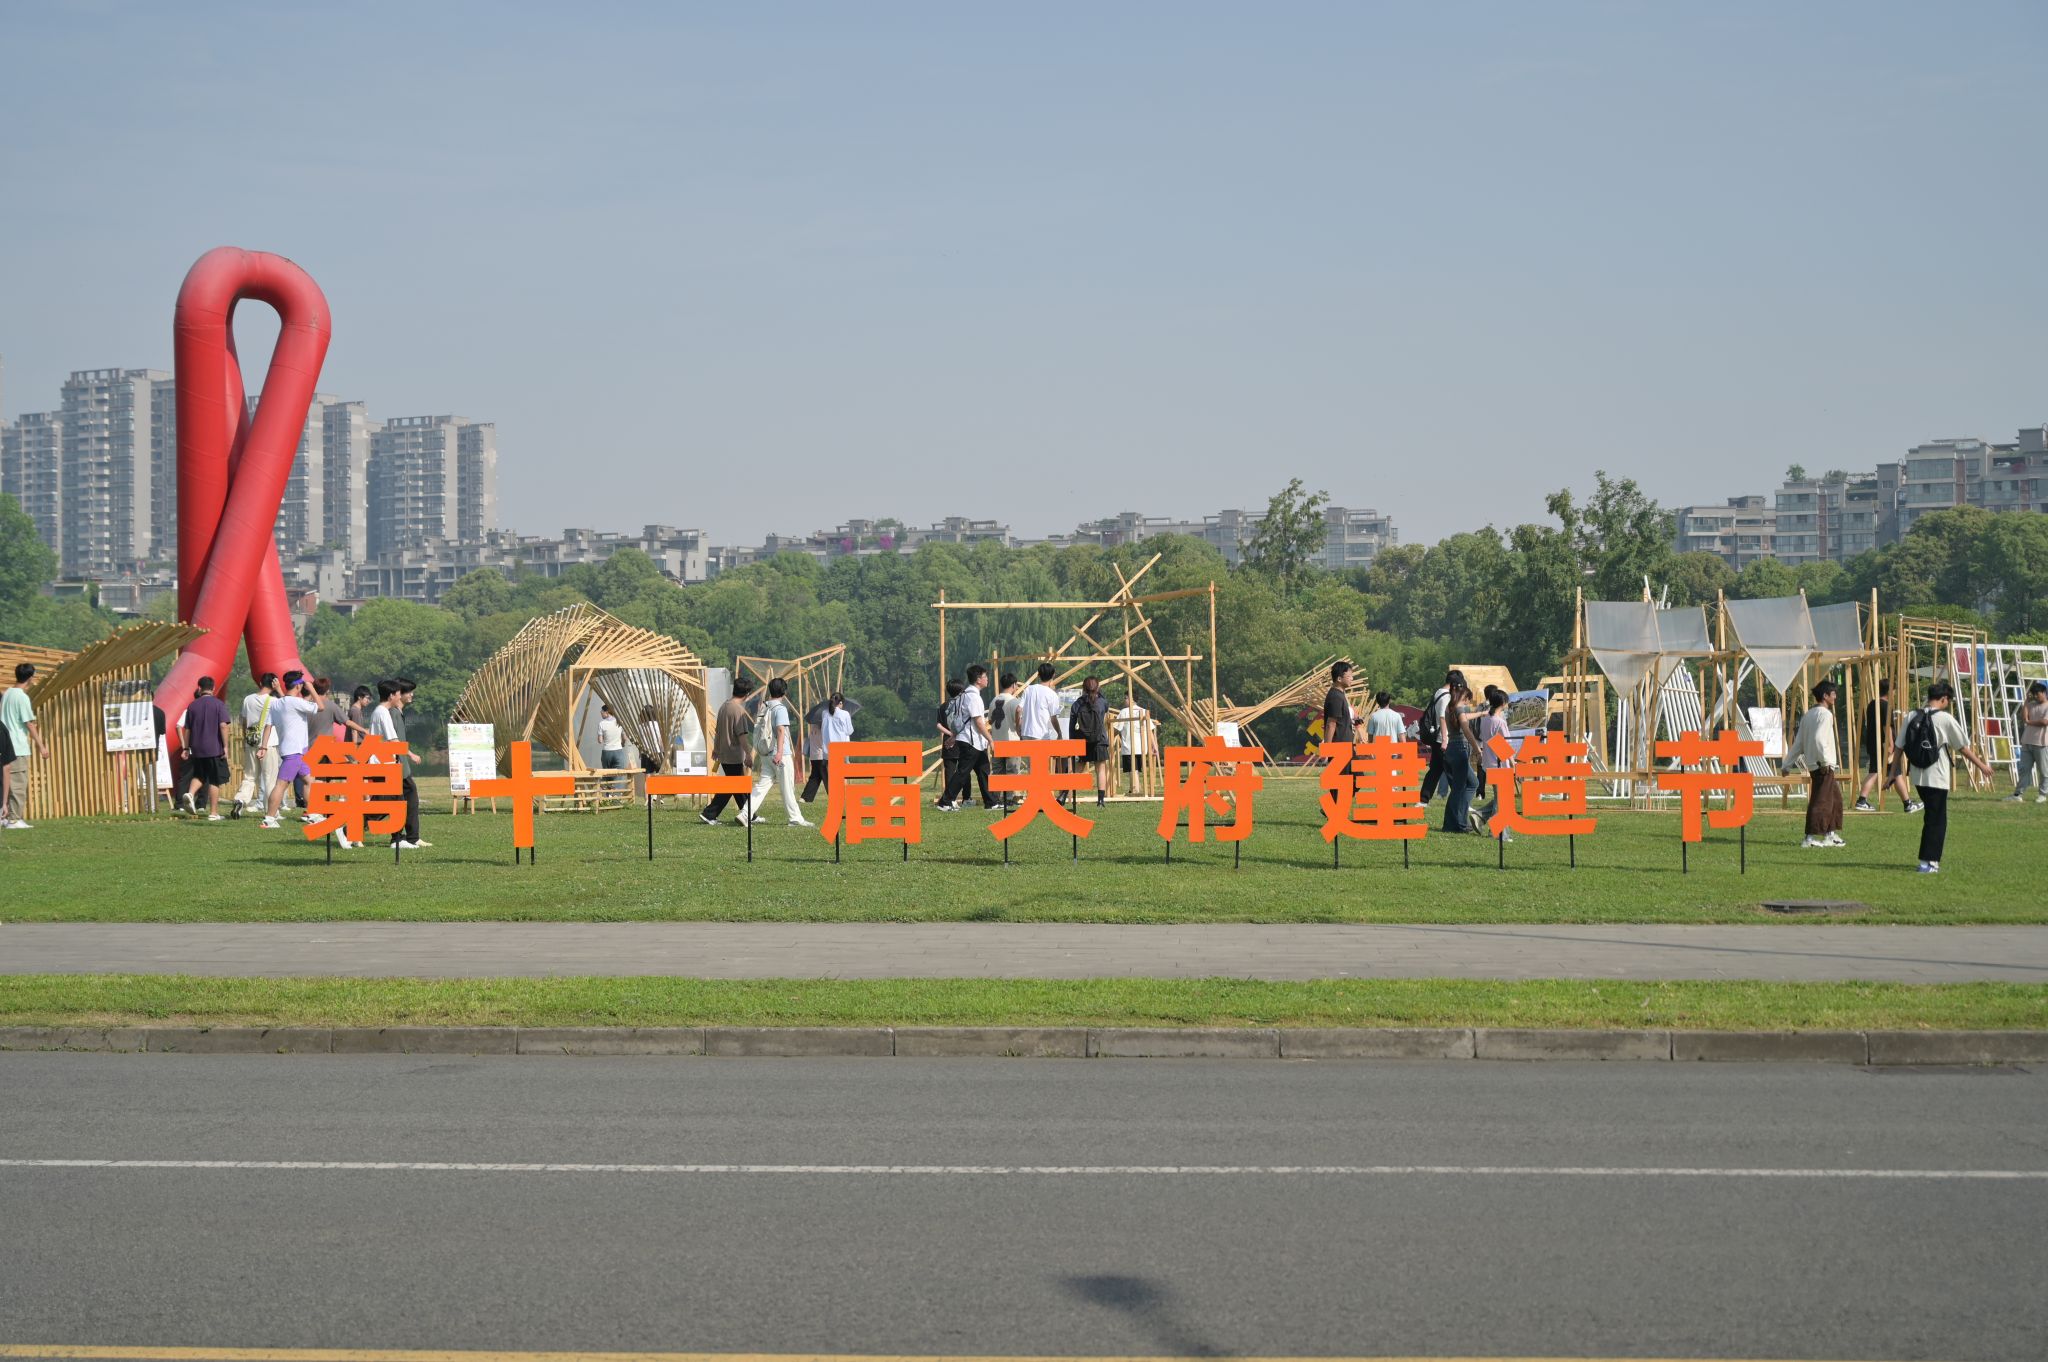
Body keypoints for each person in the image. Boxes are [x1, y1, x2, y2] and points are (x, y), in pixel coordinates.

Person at [1896, 680, 1994, 875]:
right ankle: (1929, 862)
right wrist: (1982, 765)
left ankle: (1927, 860)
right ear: (1943, 699)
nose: (1948, 703)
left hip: (1917, 776)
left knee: (1931, 816)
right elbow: (1963, 748)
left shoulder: (1911, 716)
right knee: (1937, 819)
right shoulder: (1946, 719)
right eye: (1948, 700)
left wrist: (1892, 773)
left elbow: (1899, 746)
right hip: (1937, 775)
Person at [369, 677, 429, 851]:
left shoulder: (390, 712)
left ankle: (406, 838)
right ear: (395, 695)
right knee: (389, 802)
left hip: (394, 764)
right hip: (390, 765)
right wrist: (409, 755)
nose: (411, 695)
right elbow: (393, 741)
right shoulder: (388, 713)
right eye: (407, 692)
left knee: (400, 800)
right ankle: (400, 838)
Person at [260, 673, 323, 830]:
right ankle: (269, 819)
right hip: (295, 752)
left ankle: (312, 814)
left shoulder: (277, 704)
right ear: (298, 686)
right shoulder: (297, 702)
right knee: (281, 785)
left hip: (295, 751)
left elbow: (268, 726)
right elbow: (321, 707)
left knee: (309, 781)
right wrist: (312, 689)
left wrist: (263, 746)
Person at [745, 676, 810, 827]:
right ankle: (795, 818)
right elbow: (781, 730)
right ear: (784, 692)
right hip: (780, 754)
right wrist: (780, 752)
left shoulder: (764, 706)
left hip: (766, 753)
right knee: (787, 787)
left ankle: (745, 813)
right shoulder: (780, 708)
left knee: (761, 787)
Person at [1855, 678, 1920, 814]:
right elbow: (1887, 727)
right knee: (1878, 771)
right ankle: (1861, 800)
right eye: (1894, 690)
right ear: (1890, 691)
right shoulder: (1886, 706)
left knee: (1894, 773)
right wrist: (1890, 745)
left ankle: (1907, 803)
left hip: (1874, 743)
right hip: (1884, 745)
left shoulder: (1872, 704)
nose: (1894, 693)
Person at [1794, 681, 1846, 849]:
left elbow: (1798, 743)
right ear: (1825, 696)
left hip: (1816, 763)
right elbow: (1818, 738)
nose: (1835, 697)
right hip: (1823, 765)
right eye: (1833, 694)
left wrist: (1786, 764)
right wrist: (1824, 762)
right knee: (1821, 801)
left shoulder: (1808, 715)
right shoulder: (1826, 715)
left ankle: (1830, 835)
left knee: (1835, 800)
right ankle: (1809, 838)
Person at [939, 665, 995, 811]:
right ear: (978, 680)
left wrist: (953, 737)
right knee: (962, 773)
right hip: (972, 741)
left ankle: (991, 802)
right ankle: (945, 801)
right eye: (985, 677)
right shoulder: (974, 697)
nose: (987, 679)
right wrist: (990, 739)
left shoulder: (964, 695)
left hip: (971, 740)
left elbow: (963, 720)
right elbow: (978, 722)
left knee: (983, 770)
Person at [178, 676, 234, 820]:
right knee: (214, 779)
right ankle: (213, 813)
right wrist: (225, 746)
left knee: (200, 775)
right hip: (214, 748)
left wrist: (186, 748)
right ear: (213, 688)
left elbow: (188, 730)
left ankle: (190, 794)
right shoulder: (218, 704)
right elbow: (223, 725)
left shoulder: (192, 706)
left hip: (197, 748)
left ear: (199, 688)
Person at [701, 676, 755, 825]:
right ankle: (709, 813)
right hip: (734, 754)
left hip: (724, 754)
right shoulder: (738, 710)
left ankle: (750, 814)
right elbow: (742, 735)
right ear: (747, 694)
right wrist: (748, 755)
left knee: (738, 786)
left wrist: (716, 748)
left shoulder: (724, 706)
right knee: (732, 786)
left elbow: (718, 731)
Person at [2, 661, 47, 829]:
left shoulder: (7, 693)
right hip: (17, 746)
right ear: (30, 678)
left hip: (5, 744)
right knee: (19, 784)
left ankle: (6, 817)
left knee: (8, 783)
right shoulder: (22, 697)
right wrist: (41, 746)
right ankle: (14, 819)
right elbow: (29, 723)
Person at [230, 672, 282, 820]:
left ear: (260, 683)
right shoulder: (274, 701)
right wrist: (279, 690)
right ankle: (271, 811)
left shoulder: (248, 699)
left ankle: (240, 799)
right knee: (269, 778)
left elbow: (243, 721)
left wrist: (247, 737)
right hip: (269, 743)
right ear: (273, 684)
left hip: (251, 741)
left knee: (250, 776)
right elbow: (287, 705)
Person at [1418, 669, 1466, 803]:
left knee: (1435, 769)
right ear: (1454, 683)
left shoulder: (1438, 692)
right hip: (1442, 739)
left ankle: (1423, 799)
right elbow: (1442, 717)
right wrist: (1445, 739)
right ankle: (1460, 801)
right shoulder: (1446, 696)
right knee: (1451, 771)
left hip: (1437, 738)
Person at [1472, 685, 1513, 840]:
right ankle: (1497, 832)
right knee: (1502, 801)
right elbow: (1505, 745)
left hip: (1489, 763)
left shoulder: (1485, 720)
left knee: (1500, 798)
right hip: (1500, 764)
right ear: (1503, 703)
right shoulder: (1500, 722)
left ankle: (1480, 816)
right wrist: (1513, 762)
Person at [1439, 679, 1478, 833]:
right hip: (1460, 748)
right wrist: (1477, 749)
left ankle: (1458, 821)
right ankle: (1454, 824)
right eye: (1468, 699)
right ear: (1464, 697)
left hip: (1452, 748)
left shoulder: (1450, 708)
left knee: (1471, 784)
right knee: (1459, 789)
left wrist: (1481, 713)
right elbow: (1466, 729)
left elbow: (1464, 717)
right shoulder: (1460, 709)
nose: (1468, 702)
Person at [802, 692, 854, 803]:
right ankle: (839, 797)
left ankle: (834, 797)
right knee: (839, 776)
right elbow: (849, 731)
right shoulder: (845, 714)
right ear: (840, 703)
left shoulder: (824, 713)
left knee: (829, 777)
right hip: (840, 750)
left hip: (827, 752)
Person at [1069, 675, 1111, 807]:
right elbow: (1105, 710)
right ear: (1097, 687)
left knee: (1078, 768)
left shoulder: (1077, 704)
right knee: (1101, 769)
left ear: (1083, 688)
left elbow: (1071, 726)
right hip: (1099, 739)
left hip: (1083, 740)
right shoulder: (1102, 702)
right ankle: (1101, 800)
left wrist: (1073, 741)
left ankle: (1065, 794)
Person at [2007, 680, 2048, 804]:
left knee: (2044, 771)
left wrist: (2029, 722)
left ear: (2044, 693)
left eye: (2037, 694)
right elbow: (2023, 717)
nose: (2035, 696)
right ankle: (2017, 794)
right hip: (2027, 742)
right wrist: (2026, 701)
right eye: (2034, 694)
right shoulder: (2031, 704)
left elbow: (2044, 722)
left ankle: (2042, 794)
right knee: (2024, 770)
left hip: (2042, 743)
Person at [988, 672, 1023, 809]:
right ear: (1013, 685)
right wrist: (1019, 728)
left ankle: (996, 798)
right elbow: (1019, 713)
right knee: (1012, 771)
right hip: (1012, 739)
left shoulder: (994, 700)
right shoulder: (1014, 701)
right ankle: (1008, 798)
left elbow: (990, 720)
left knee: (998, 771)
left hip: (997, 740)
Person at [1113, 697, 1152, 796]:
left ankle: (1135, 790)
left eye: (1126, 698)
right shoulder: (1144, 711)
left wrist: (1108, 737)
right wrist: (1153, 745)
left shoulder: (1124, 711)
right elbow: (1150, 729)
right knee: (1136, 770)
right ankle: (1133, 789)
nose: (1124, 700)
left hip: (1129, 746)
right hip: (1142, 747)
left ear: (1131, 699)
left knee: (1132, 769)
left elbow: (1116, 728)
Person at [634, 704, 666, 803]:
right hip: (657, 751)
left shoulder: (640, 727)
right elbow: (660, 741)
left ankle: (647, 799)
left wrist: (640, 752)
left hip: (646, 753)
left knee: (647, 777)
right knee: (657, 775)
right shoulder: (657, 725)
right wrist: (663, 752)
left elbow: (639, 742)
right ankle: (657, 796)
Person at [1322, 661, 1358, 746]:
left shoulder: (1340, 694)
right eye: (1349, 676)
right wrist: (1327, 748)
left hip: (1343, 745)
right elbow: (1331, 724)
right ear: (1339, 679)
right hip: (1339, 746)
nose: (1352, 679)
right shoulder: (1336, 697)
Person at [597, 703, 628, 796]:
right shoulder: (619, 722)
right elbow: (625, 738)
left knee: (607, 774)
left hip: (606, 752)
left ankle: (608, 796)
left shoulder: (601, 724)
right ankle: (616, 796)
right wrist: (622, 743)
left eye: (602, 711)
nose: (601, 713)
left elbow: (600, 741)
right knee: (619, 774)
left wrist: (606, 738)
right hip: (618, 751)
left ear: (607, 712)